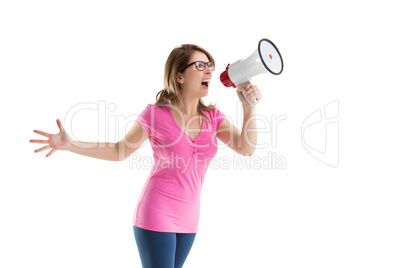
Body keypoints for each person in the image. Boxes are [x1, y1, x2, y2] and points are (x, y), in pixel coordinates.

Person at [30, 44, 262, 268]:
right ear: (179, 76)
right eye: (200, 65)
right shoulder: (155, 114)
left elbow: (246, 148)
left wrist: (248, 106)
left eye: (210, 64)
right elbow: (120, 150)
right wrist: (70, 144)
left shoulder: (214, 117)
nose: (209, 70)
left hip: (189, 220)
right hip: (156, 213)